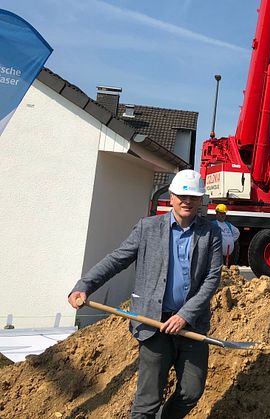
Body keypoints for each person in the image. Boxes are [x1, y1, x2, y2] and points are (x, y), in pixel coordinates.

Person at [67, 169, 223, 419]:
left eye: (193, 197)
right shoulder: (148, 228)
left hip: (191, 325)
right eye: (182, 196)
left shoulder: (210, 233)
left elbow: (212, 278)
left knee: (191, 391)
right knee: (148, 401)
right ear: (171, 197)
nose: (187, 201)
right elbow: (117, 259)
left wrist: (184, 315)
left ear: (200, 200)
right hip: (153, 322)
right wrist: (85, 285)